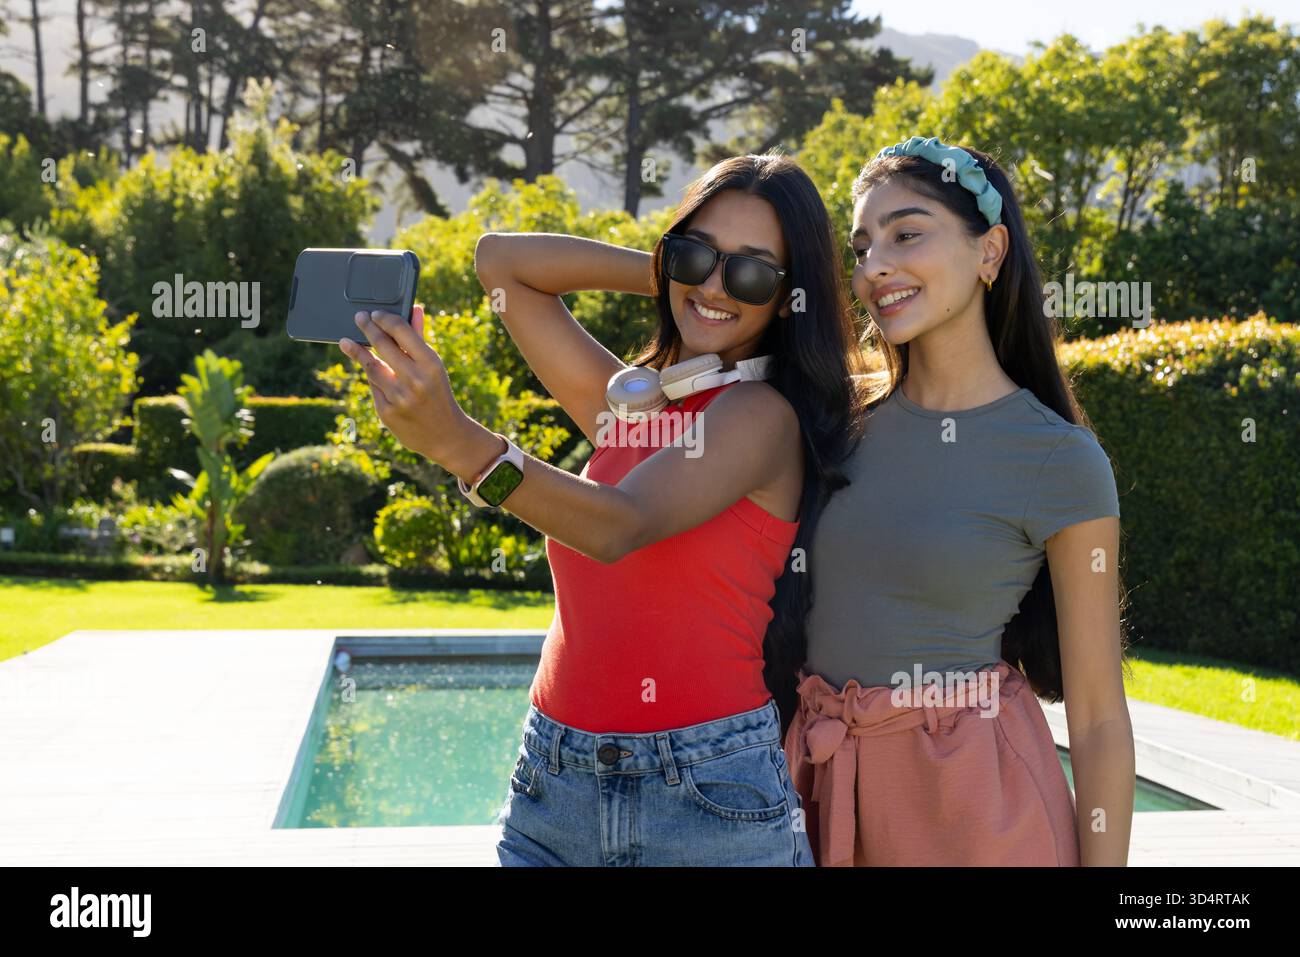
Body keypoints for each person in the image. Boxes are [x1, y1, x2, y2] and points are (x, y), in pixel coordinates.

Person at [337, 152, 866, 865]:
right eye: (698, 252)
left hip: (707, 793)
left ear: (787, 295)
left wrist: (461, 444)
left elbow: (619, 524)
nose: (715, 285)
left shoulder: (759, 416)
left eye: (751, 272)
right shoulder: (637, 406)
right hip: (554, 782)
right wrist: (675, 272)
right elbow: (501, 263)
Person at [777, 136, 1136, 867]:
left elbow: (1099, 716)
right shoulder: (829, 426)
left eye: (907, 233)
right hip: (818, 791)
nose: (875, 266)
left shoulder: (1059, 459)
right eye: (862, 245)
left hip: (975, 810)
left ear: (990, 252)